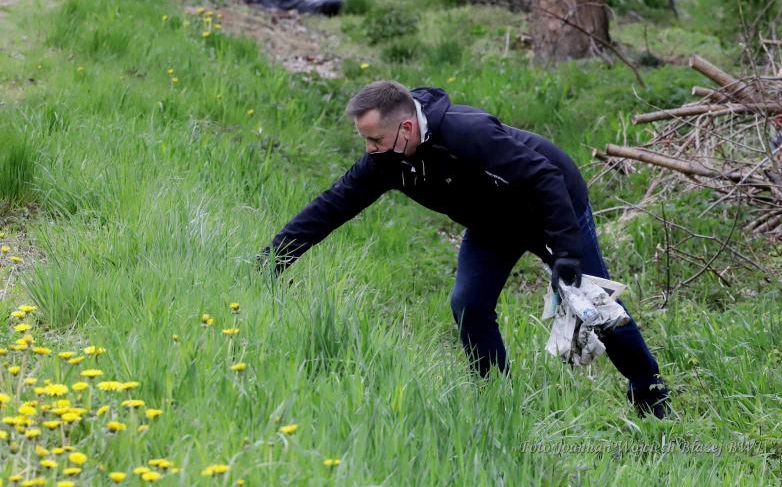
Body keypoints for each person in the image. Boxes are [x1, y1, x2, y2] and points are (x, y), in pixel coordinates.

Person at [261, 80, 670, 418]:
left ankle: (649, 393)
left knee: (597, 305)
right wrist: (275, 256)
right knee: (468, 304)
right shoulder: (387, 160)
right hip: (492, 225)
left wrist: (565, 250)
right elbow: (334, 204)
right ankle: (496, 400)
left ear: (406, 128)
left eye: (375, 139)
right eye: (365, 140)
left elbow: (545, 177)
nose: (369, 148)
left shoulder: (467, 133)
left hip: (550, 206)